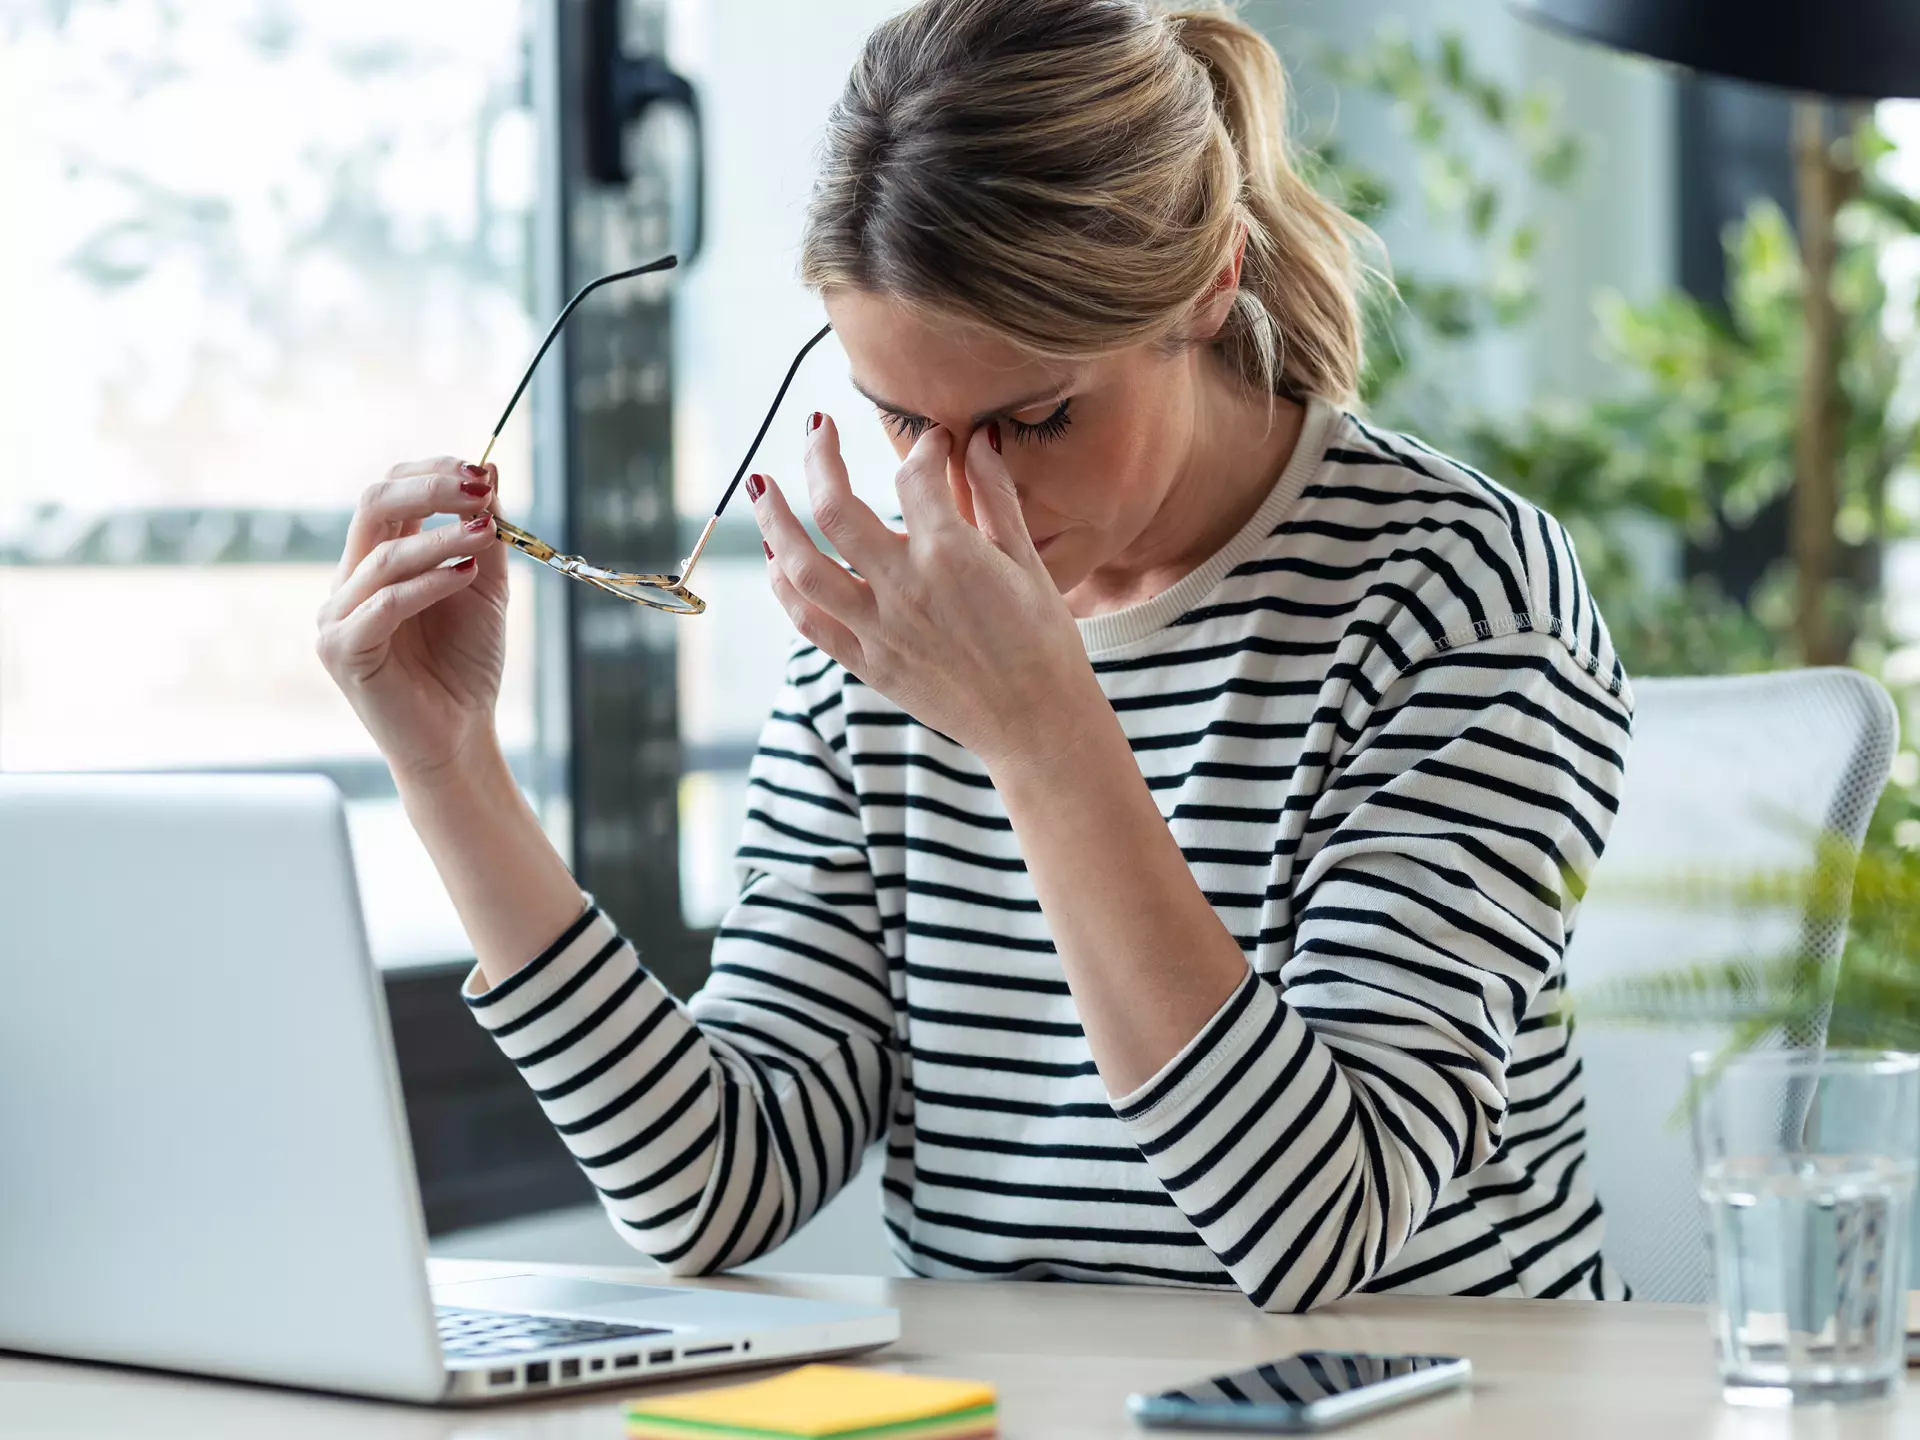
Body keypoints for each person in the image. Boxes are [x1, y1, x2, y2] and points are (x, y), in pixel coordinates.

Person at [318, 0, 1632, 1311]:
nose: (956, 496)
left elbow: (1321, 1227)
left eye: (1038, 418)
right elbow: (712, 1184)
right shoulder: (887, 640)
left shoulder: (1456, 591)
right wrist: (449, 769)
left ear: (1210, 281)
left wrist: (1041, 731)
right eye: (900, 419)